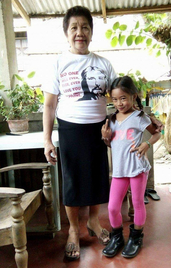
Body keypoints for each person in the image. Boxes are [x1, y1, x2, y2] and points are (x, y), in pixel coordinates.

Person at [42, 6, 117, 261]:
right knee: (72, 180)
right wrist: (46, 140)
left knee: (97, 177)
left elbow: (118, 99)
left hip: (98, 129)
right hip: (70, 129)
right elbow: (50, 105)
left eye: (85, 27)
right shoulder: (59, 63)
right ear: (66, 33)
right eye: (74, 27)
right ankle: (73, 229)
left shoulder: (104, 64)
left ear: (91, 33)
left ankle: (94, 222)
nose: (79, 32)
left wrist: (113, 127)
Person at [101, 76, 161, 258]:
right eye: (115, 99)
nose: (119, 103)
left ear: (133, 96)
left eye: (123, 98)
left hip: (137, 169)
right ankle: (117, 237)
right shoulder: (111, 119)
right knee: (112, 207)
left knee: (137, 203)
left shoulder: (140, 117)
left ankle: (136, 237)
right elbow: (114, 145)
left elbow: (158, 133)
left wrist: (147, 144)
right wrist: (105, 138)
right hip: (119, 170)